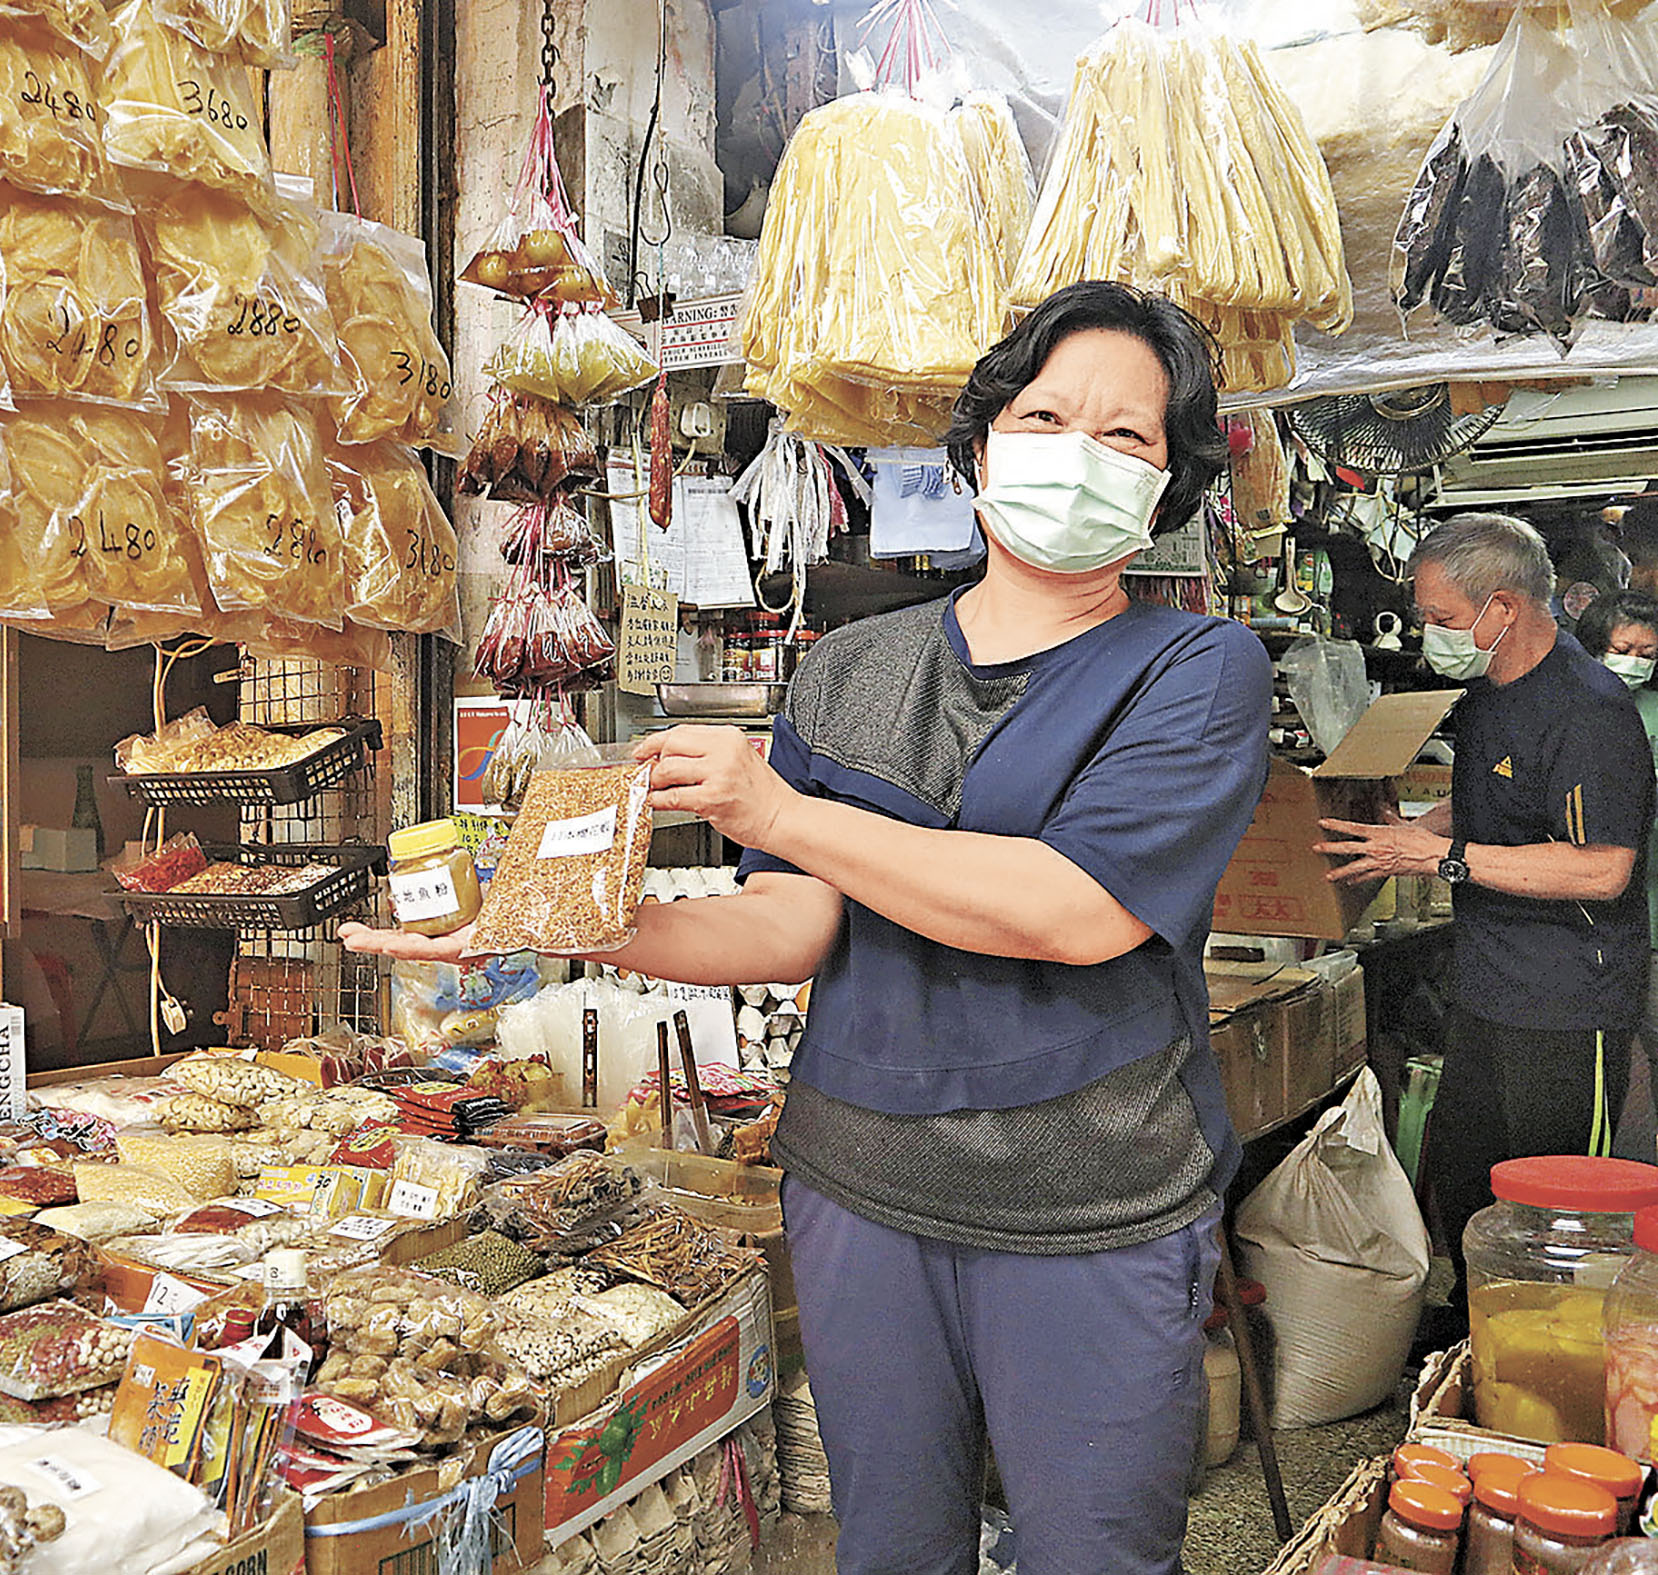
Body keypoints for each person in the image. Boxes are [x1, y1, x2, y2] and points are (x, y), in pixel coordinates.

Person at [346, 281, 1271, 1575]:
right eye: (1047, 412)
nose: (1076, 452)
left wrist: (778, 803)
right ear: (981, 439)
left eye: (1125, 435)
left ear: (1171, 481)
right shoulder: (853, 665)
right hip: (860, 1189)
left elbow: (1070, 911)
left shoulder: (1194, 672)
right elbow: (787, 918)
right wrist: (562, 922)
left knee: (1095, 1551)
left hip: (1088, 1202)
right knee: (887, 1542)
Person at [1317, 516, 1654, 1292]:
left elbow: (1602, 869)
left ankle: (1555, 1365)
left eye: (1443, 619)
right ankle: (1478, 1340)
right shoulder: (1490, 694)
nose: (1431, 632)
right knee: (1473, 1188)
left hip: (1570, 1001)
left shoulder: (1589, 710)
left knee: (1556, 1211)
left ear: (1503, 609)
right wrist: (1409, 831)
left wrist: (1441, 857)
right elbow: (1488, 804)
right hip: (1486, 990)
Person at [1577, 588, 1658, 1160]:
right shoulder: (1574, 706)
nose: (1634, 660)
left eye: (1647, 652)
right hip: (1588, 926)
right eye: (1622, 647)